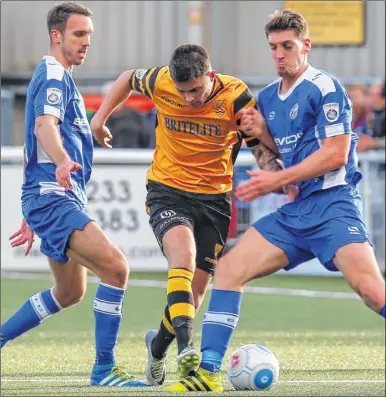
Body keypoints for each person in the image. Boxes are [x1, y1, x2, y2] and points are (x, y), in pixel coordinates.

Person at [166, 9, 386, 393]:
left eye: (288, 46)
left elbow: (335, 154)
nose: (280, 54)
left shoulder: (324, 87)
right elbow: (286, 155)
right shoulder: (267, 97)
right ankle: (209, 373)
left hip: (333, 206)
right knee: (230, 269)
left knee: (371, 292)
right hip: (295, 213)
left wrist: (276, 180)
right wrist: (263, 133)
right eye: (273, 48)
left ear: (306, 46)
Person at [91, 43, 288, 386]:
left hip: (214, 200)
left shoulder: (235, 96)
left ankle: (157, 348)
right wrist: (100, 118)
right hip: (168, 190)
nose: (191, 98)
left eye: (196, 90)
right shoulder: (162, 81)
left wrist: (277, 175)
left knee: (193, 296)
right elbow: (126, 79)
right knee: (182, 257)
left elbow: (257, 145)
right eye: (184, 92)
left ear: (210, 75)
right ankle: (186, 349)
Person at [1, 2, 147, 388]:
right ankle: (104, 369)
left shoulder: (61, 76)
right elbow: (43, 128)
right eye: (79, 35)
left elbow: (38, 144)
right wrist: (63, 162)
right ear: (56, 35)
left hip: (48, 198)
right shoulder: (52, 74)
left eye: (89, 36)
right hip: (54, 198)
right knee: (116, 268)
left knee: (70, 292)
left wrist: (33, 207)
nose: (86, 43)